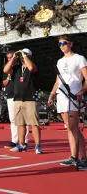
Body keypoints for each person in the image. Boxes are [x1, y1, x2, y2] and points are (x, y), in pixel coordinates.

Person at [48, 35, 87, 169]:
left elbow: (86, 79)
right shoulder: (59, 61)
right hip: (61, 95)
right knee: (70, 128)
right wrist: (52, 94)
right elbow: (58, 80)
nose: (62, 46)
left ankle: (83, 158)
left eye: (64, 43)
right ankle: (73, 156)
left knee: (73, 127)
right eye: (59, 44)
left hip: (74, 94)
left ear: (70, 43)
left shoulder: (79, 58)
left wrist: (81, 92)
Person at [3, 48, 42, 154]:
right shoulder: (16, 68)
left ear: (29, 56)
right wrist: (13, 58)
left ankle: (38, 145)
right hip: (18, 99)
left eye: (24, 55)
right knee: (20, 123)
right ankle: (21, 144)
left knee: (34, 123)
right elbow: (6, 70)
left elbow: (31, 67)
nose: (21, 57)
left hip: (30, 99)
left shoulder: (33, 67)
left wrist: (24, 55)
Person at [2, 50, 29, 148]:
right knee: (13, 120)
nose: (10, 59)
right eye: (8, 58)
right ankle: (14, 140)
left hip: (20, 96)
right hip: (10, 96)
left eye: (11, 57)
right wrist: (9, 77)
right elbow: (4, 80)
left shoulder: (20, 67)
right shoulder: (9, 68)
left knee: (23, 119)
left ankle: (24, 140)